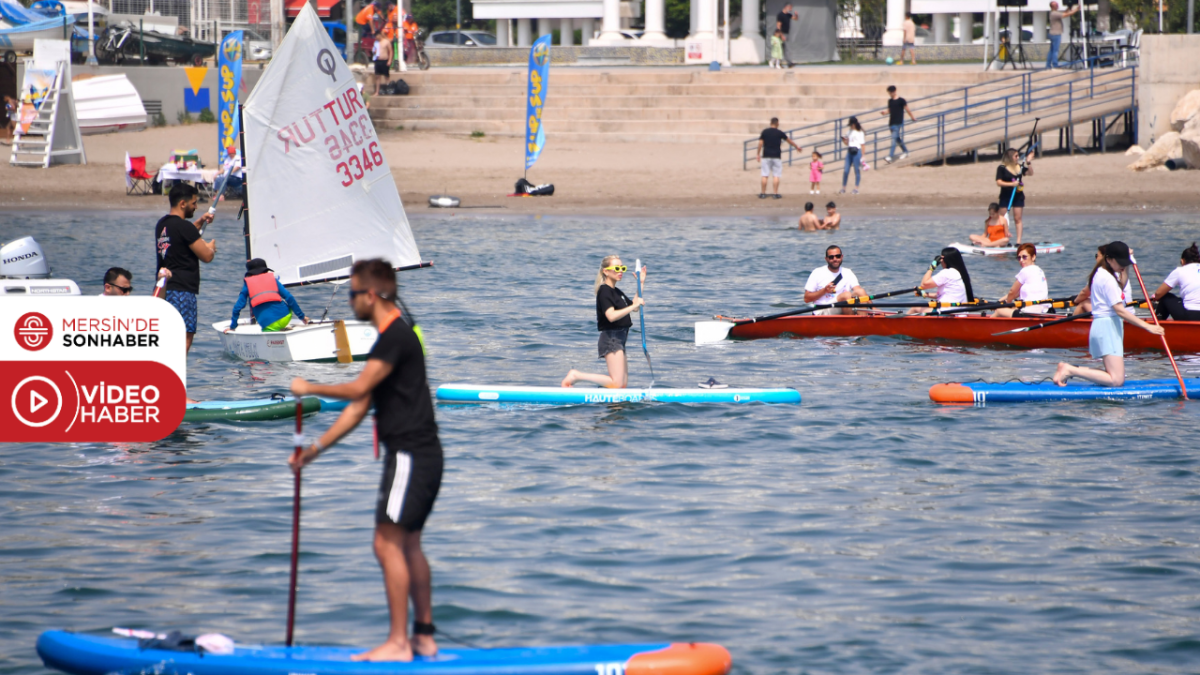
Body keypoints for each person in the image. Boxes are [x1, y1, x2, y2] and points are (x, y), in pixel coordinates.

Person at [289, 259, 442, 662]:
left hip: (410, 455)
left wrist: (309, 386)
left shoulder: (393, 337)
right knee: (407, 543)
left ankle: (398, 643)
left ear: (370, 295)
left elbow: (358, 386)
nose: (350, 301)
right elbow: (361, 406)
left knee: (386, 543)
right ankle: (423, 638)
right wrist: (315, 451)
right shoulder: (393, 336)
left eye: (353, 293)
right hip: (420, 455)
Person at [1053, 242, 1164, 387]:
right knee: (1116, 380)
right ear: (1109, 259)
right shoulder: (1107, 278)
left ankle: (1071, 370)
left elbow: (1121, 286)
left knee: (1114, 377)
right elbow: (1119, 310)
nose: (1123, 266)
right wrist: (1147, 326)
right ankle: (1070, 369)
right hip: (1107, 328)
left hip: (1107, 326)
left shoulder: (1103, 273)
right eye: (1121, 262)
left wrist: (1127, 263)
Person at [156, 183, 216, 401]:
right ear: (183, 203)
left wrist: (198, 222)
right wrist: (211, 247)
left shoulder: (162, 225)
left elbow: (182, 238)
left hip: (165, 290)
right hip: (182, 291)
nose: (195, 206)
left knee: (170, 340)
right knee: (183, 340)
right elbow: (206, 256)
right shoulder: (186, 228)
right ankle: (174, 393)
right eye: (193, 203)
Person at [562, 256, 645, 389]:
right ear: (606, 271)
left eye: (622, 268)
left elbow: (635, 307)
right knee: (617, 383)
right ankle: (576, 376)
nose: (620, 271)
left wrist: (640, 283)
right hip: (612, 338)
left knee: (622, 385)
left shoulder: (617, 292)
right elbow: (611, 316)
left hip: (621, 337)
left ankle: (603, 399)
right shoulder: (604, 291)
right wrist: (631, 307)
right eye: (617, 268)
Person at [227, 258, 311, 333]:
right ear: (265, 271)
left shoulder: (247, 285)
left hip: (268, 325)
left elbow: (237, 307)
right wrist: (302, 317)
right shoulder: (273, 280)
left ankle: (276, 330)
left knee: (268, 327)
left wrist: (232, 327)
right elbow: (289, 297)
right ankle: (282, 327)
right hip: (286, 317)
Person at [991, 244, 1051, 317]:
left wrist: (1008, 304)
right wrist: (1000, 300)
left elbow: (1012, 291)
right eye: (1019, 258)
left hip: (1030, 313)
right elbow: (1017, 293)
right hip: (1045, 310)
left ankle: (985, 326)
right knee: (1006, 308)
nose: (1021, 260)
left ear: (1033, 257)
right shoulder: (1039, 271)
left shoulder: (1025, 270)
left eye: (1024, 257)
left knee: (999, 309)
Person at [909, 247, 974, 314]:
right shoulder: (959, 273)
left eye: (941, 258)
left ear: (945, 259)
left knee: (915, 308)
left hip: (946, 314)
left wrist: (932, 266)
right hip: (960, 314)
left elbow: (924, 284)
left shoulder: (946, 273)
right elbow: (944, 294)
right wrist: (925, 294)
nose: (941, 261)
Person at [804, 245, 867, 314]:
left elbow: (860, 292)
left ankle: (865, 319)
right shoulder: (817, 272)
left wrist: (874, 308)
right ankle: (851, 322)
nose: (835, 259)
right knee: (846, 295)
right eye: (831, 257)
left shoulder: (848, 272)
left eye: (838, 256)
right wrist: (824, 291)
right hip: (823, 310)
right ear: (826, 259)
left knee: (860, 291)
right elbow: (806, 298)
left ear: (842, 257)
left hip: (843, 308)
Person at [1151, 242, 1200, 321]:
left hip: (1190, 315)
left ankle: (1157, 325)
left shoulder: (1180, 270)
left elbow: (1158, 294)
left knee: (1165, 296)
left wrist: (1156, 298)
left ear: (1182, 261)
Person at [757, 117, 802, 199]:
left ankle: (763, 193)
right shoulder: (779, 132)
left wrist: (758, 154)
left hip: (766, 155)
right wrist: (796, 146)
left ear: (770, 123)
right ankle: (775, 193)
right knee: (776, 175)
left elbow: (760, 143)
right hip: (776, 156)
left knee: (764, 175)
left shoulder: (765, 132)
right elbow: (789, 140)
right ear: (777, 124)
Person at [996, 147, 1032, 245]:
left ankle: (1018, 241)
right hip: (1005, 196)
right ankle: (1003, 240)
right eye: (1016, 156)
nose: (1018, 157)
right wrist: (1011, 184)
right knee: (1002, 218)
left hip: (1018, 196)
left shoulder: (1019, 167)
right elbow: (999, 182)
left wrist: (1028, 162)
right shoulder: (1002, 168)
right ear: (1010, 157)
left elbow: (1030, 173)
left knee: (1018, 218)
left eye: (1018, 156)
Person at [880, 85, 915, 163]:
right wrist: (884, 113)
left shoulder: (901, 100)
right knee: (897, 139)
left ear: (894, 91)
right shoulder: (890, 101)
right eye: (889, 93)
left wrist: (912, 117)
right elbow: (890, 110)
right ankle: (906, 151)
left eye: (890, 92)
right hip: (891, 122)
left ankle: (890, 156)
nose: (890, 94)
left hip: (898, 122)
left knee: (893, 140)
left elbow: (907, 109)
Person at [1072, 246, 1108, 315]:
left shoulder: (1100, 273)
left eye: (1097, 255)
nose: (1096, 258)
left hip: (1104, 313)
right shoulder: (1119, 271)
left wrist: (1075, 301)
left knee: (1084, 302)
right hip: (1115, 308)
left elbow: (1085, 293)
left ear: (1104, 258)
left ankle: (1069, 324)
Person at [1046, 1, 1079, 69]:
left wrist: (1068, 8)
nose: (1058, 6)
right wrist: (1077, 9)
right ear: (1053, 6)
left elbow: (1064, 13)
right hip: (1056, 34)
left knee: (1052, 50)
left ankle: (1048, 65)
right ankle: (1055, 65)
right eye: (1056, 5)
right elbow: (1066, 15)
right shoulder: (1054, 13)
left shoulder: (1054, 13)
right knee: (1055, 50)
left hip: (1053, 33)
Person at [840, 116, 865, 195]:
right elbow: (847, 143)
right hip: (850, 151)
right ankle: (843, 187)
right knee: (846, 170)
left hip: (857, 151)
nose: (851, 126)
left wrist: (863, 156)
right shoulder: (849, 132)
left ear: (854, 124)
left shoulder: (860, 132)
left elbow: (862, 145)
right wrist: (844, 140)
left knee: (856, 170)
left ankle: (856, 188)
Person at [775, 3, 797, 67]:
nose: (791, 9)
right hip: (782, 33)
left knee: (782, 48)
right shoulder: (780, 15)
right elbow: (778, 26)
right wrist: (781, 35)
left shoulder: (788, 15)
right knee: (784, 48)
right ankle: (789, 62)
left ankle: (778, 62)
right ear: (786, 7)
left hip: (787, 33)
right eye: (790, 8)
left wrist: (796, 15)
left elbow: (795, 18)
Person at [373, 31, 393, 95]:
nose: (376, 38)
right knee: (377, 76)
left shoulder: (386, 42)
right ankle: (377, 91)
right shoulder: (376, 43)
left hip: (384, 60)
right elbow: (373, 51)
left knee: (386, 76)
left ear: (379, 35)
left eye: (377, 36)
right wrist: (374, 51)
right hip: (377, 60)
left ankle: (389, 90)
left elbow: (390, 51)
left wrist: (389, 60)